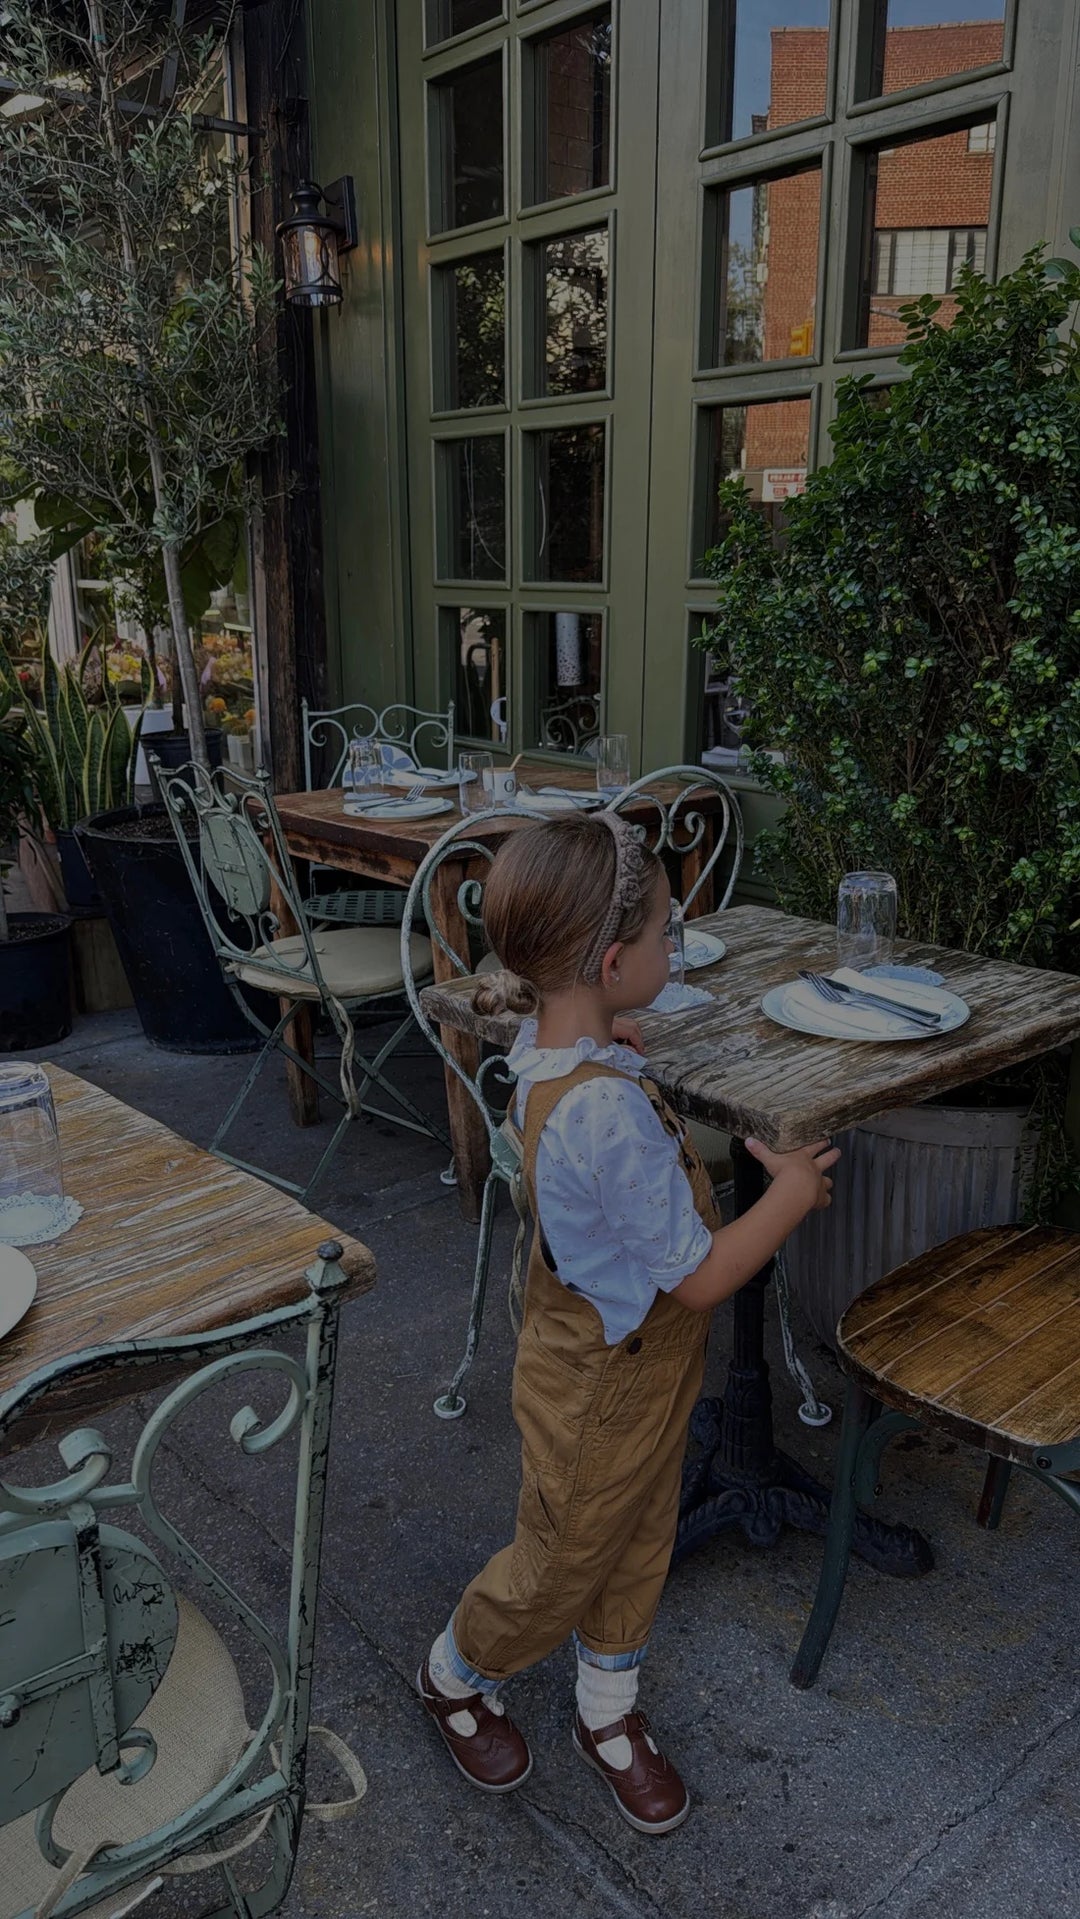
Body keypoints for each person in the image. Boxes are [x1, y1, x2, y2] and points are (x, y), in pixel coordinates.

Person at [418, 812, 839, 1836]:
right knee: (561, 1555)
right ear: (610, 962)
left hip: (636, 1369)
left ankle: (607, 1708)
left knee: (640, 1534)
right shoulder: (601, 1109)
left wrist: (614, 1036)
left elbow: (574, 1059)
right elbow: (699, 1279)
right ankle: (457, 1671)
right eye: (664, 931)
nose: (676, 940)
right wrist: (788, 1192)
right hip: (598, 1383)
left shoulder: (561, 1044)